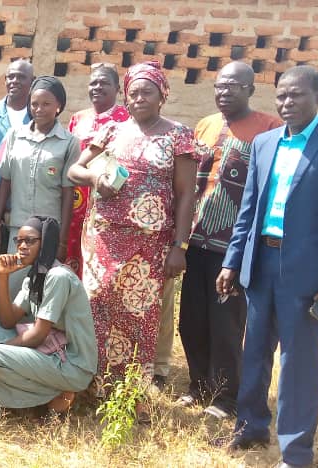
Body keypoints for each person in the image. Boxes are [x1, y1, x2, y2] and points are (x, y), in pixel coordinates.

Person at [216, 66, 318, 468]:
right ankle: (250, 428)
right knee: (254, 351)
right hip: (260, 262)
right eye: (281, 96)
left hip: (306, 272)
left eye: (296, 95)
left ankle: (296, 451)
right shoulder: (265, 144)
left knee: (297, 361)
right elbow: (248, 210)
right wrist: (232, 261)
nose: (287, 103)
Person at [67, 62, 197, 400]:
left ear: (162, 96)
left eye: (147, 92)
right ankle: (92, 387)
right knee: (96, 307)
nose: (138, 98)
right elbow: (74, 170)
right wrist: (96, 177)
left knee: (138, 314)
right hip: (104, 239)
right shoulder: (113, 130)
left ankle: (128, 395)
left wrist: (179, 246)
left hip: (148, 244)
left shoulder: (178, 135)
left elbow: (185, 196)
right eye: (133, 92)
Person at [177, 62, 282, 420]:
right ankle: (198, 387)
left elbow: (269, 192)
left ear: (250, 90)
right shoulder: (205, 125)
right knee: (191, 320)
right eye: (219, 86)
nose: (224, 92)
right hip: (198, 240)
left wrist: (247, 250)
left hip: (234, 246)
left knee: (226, 323)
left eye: (233, 86)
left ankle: (225, 398)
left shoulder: (270, 129)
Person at [0, 216, 97, 412]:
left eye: (30, 241)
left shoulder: (58, 276)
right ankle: (39, 394)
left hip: (71, 365)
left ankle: (56, 392)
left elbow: (38, 334)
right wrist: (3, 276)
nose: (22, 246)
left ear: (45, 242)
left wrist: (2, 349)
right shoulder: (34, 277)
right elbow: (7, 321)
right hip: (49, 350)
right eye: (18, 241)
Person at [0, 76, 79, 302]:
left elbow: (68, 194)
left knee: (42, 294)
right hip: (18, 229)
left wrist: (62, 241)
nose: (39, 109)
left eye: (46, 104)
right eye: (34, 104)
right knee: (12, 290)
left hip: (49, 232)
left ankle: (38, 337)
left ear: (59, 106)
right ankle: (8, 336)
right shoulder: (15, 136)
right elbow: (6, 183)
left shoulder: (68, 142)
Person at [66, 63, 130, 277]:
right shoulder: (78, 118)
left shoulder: (126, 119)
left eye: (104, 83)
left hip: (107, 194)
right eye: (93, 82)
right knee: (72, 248)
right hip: (77, 196)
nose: (97, 87)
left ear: (117, 89)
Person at [0, 59, 33, 284]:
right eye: (11, 76)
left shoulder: (38, 115)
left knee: (14, 266)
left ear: (31, 82)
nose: (15, 81)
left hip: (21, 205)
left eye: (21, 77)